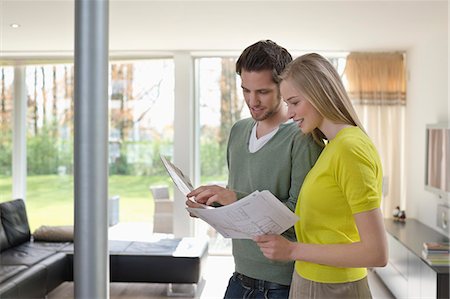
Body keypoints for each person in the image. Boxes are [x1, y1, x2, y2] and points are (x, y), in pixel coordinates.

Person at [186, 40, 323, 298]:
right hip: (239, 277)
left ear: (284, 86)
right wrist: (210, 207)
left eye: (262, 92)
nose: (252, 101)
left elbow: (301, 217)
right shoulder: (238, 131)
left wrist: (235, 197)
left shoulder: (303, 138)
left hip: (282, 285)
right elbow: (238, 204)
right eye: (245, 90)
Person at [254, 53, 388, 299]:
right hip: (312, 280)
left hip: (332, 287)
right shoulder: (332, 147)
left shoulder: (349, 149)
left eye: (294, 102)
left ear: (319, 94)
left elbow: (376, 253)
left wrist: (292, 250)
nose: (290, 113)